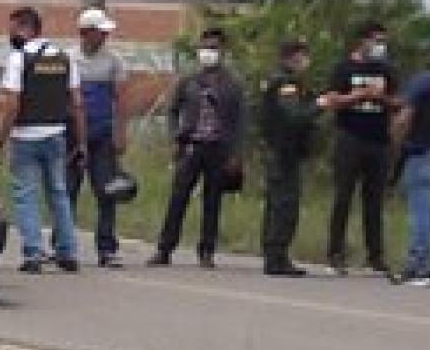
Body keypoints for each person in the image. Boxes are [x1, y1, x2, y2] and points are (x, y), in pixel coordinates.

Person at [0, 7, 86, 274]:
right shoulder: (64, 58)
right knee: (59, 193)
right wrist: (81, 142)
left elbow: (12, 104)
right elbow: (77, 103)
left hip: (25, 137)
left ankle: (33, 253)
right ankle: (67, 251)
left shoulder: (19, 59)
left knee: (26, 195)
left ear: (26, 28)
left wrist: (0, 139)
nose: (10, 35)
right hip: (56, 134)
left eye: (12, 29)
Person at [147, 29, 245, 269]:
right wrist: (175, 136)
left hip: (218, 148)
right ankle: (164, 249)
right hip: (191, 146)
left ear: (222, 51)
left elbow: (240, 120)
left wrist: (236, 153)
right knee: (178, 197)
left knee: (212, 201)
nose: (207, 52)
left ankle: (207, 251)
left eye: (213, 48)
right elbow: (173, 110)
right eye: (204, 48)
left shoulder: (232, 84)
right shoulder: (189, 80)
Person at [321, 21, 398, 276]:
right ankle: (335, 253)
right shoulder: (344, 68)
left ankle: (375, 256)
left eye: (383, 42)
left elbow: (398, 102)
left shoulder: (386, 70)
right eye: (376, 41)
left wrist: (382, 98)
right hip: (350, 138)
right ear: (362, 41)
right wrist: (359, 95)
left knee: (374, 201)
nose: (380, 46)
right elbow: (331, 100)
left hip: (379, 140)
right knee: (343, 197)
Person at [390, 37, 430, 287]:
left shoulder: (424, 82)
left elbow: (403, 118)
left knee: (421, 213)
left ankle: (420, 266)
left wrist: (397, 144)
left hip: (424, 152)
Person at [66, 8, 128, 269]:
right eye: (99, 32)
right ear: (85, 33)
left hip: (102, 134)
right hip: (72, 135)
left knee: (106, 190)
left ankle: (107, 247)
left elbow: (120, 99)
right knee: (68, 190)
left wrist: (120, 132)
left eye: (105, 33)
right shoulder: (69, 59)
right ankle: (64, 245)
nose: (104, 37)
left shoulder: (113, 61)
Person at [259, 40, 322, 277]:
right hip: (283, 151)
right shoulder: (285, 83)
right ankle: (277, 256)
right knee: (285, 204)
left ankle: (274, 253)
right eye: (302, 57)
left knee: (277, 203)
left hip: (282, 150)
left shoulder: (286, 82)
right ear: (291, 58)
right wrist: (319, 106)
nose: (305, 62)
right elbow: (294, 116)